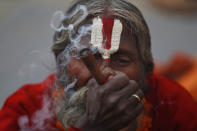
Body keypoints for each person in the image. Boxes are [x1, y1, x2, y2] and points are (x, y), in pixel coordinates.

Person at [0, 0, 197, 131]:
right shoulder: (24, 109)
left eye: (122, 60)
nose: (104, 73)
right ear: (61, 62)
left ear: (147, 70)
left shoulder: (173, 105)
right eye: (91, 57)